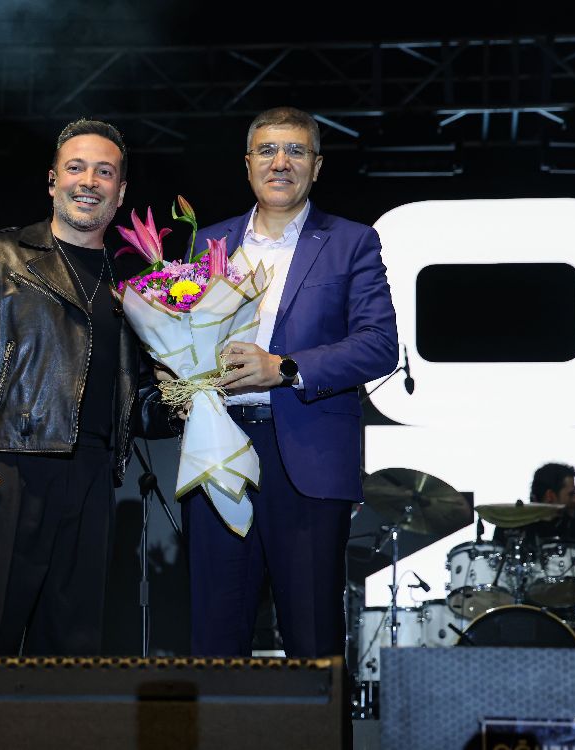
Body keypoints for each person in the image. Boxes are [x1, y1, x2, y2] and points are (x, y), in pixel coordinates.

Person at [0, 118, 172, 656]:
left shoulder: (134, 285)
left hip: (94, 479)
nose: (89, 181)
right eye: (76, 168)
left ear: (120, 191)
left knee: (70, 654)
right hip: (7, 470)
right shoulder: (0, 256)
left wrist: (193, 395)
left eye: (104, 172)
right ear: (53, 180)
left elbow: (139, 403)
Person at [182, 106, 399, 658]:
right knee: (214, 635)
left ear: (317, 166)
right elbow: (180, 336)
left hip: (305, 457)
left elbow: (379, 344)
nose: (281, 162)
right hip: (217, 451)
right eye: (268, 151)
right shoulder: (208, 243)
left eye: (296, 151)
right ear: (248, 163)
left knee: (312, 639)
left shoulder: (351, 242)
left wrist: (284, 368)